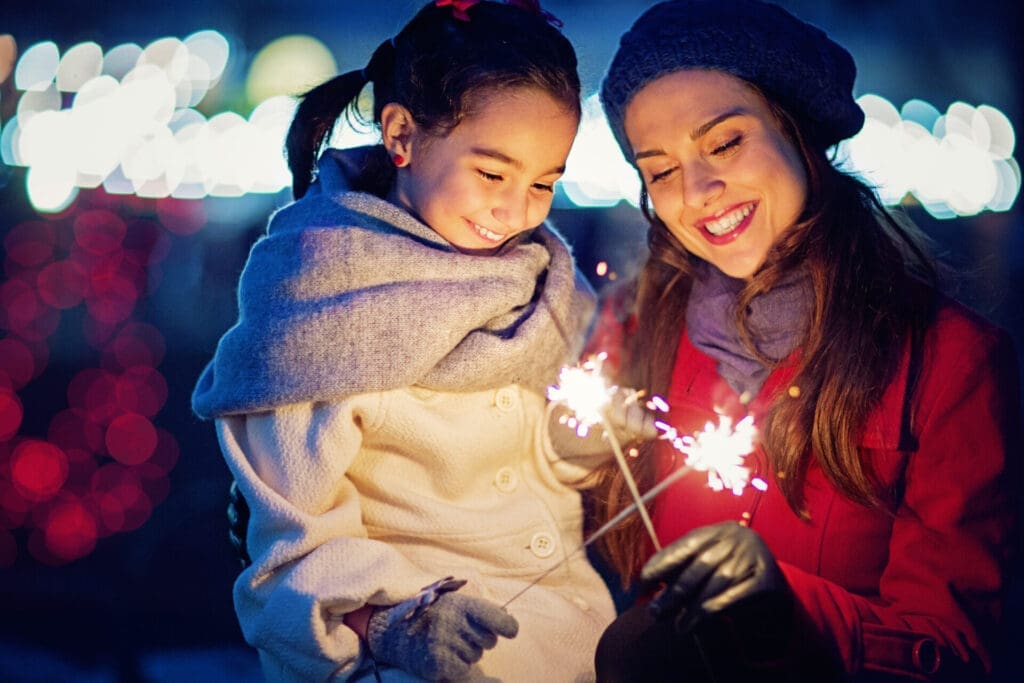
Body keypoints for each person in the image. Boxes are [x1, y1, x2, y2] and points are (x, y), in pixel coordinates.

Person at [190, 1, 648, 680]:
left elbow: (531, 482)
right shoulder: (323, 304)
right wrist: (400, 623)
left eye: (544, 182)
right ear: (401, 133)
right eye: (493, 173)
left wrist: (577, 445)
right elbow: (290, 553)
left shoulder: (543, 284)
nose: (518, 209)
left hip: (575, 645)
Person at [586, 0, 1022, 681]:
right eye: (660, 170)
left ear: (798, 130)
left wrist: (790, 610)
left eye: (725, 142)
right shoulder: (634, 335)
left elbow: (964, 650)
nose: (697, 191)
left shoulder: (950, 362)